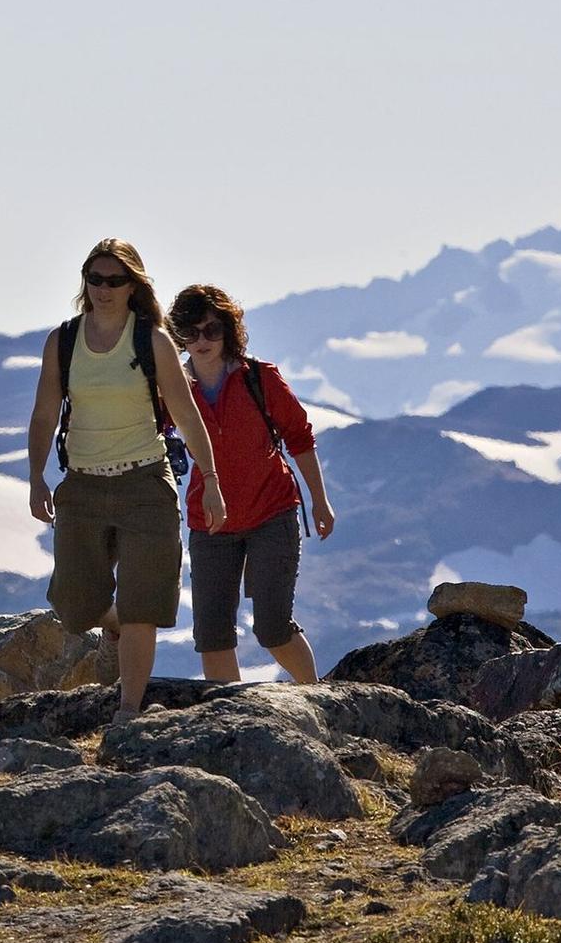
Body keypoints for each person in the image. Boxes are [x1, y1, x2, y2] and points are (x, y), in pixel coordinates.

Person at [28, 239, 225, 721]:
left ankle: (129, 710)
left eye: (114, 280)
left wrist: (210, 478)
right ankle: (112, 622)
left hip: (145, 485)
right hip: (82, 486)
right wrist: (36, 477)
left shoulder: (152, 341)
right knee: (74, 605)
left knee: (143, 606)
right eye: (94, 278)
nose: (103, 288)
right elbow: (44, 413)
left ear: (133, 285)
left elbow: (185, 413)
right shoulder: (63, 341)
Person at [166, 284, 336, 685]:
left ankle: (318, 699)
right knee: (212, 637)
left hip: (271, 513)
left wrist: (320, 501)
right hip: (210, 522)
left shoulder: (259, 378)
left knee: (273, 629)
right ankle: (232, 716)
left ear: (228, 330)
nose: (202, 340)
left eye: (211, 329)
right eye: (190, 331)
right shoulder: (171, 389)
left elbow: (300, 438)